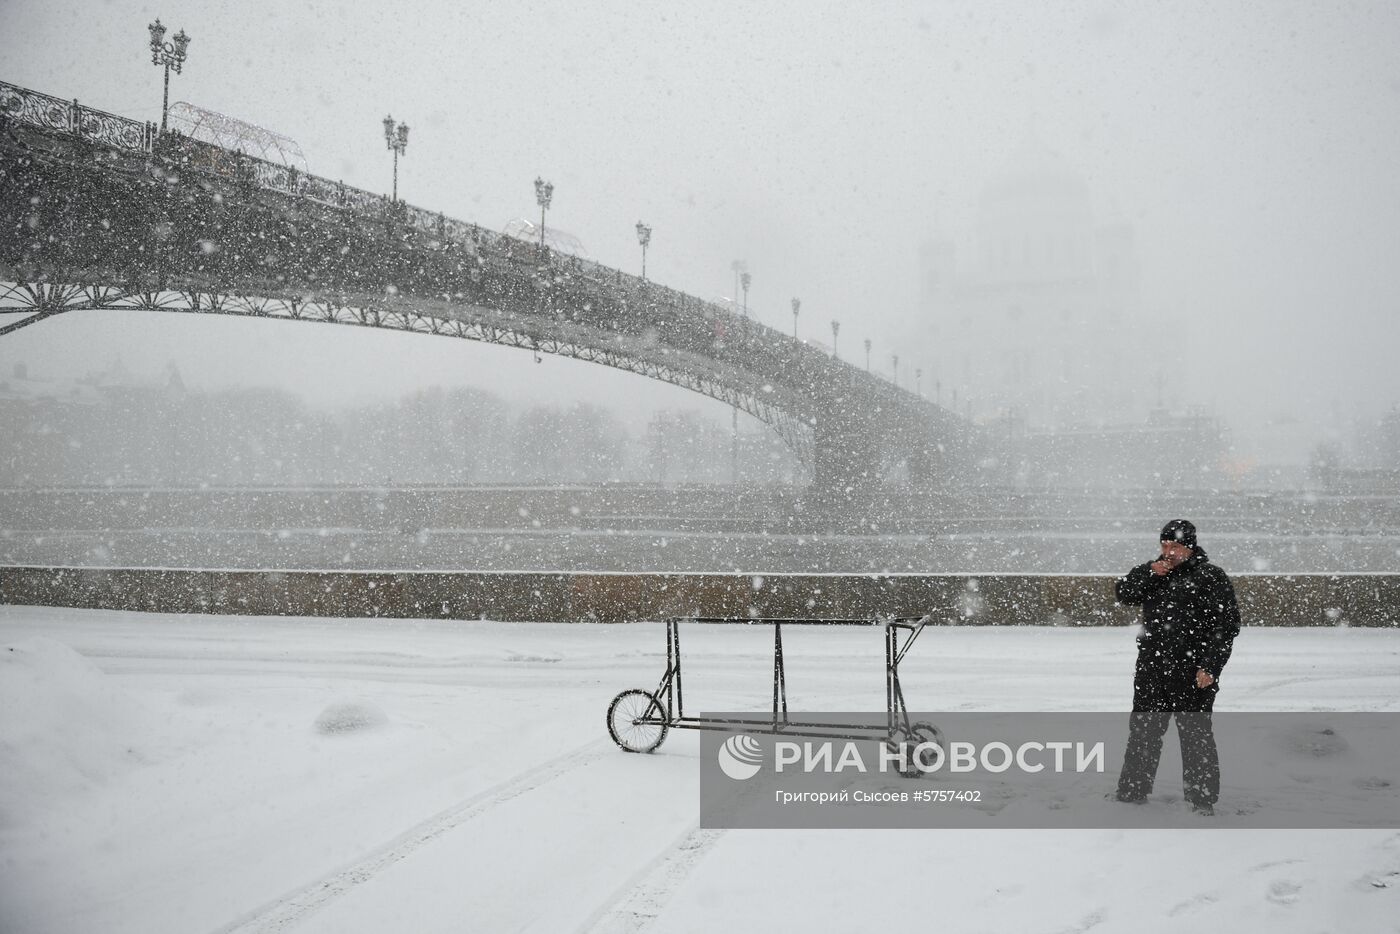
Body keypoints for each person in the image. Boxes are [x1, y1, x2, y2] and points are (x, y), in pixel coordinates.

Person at [1113, 519, 1240, 815]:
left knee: (1196, 736)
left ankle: (1202, 799)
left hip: (1192, 672)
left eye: (1175, 546)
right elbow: (1123, 594)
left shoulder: (1211, 577)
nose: (1168, 552)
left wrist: (1210, 667)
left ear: (1190, 547)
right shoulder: (1154, 572)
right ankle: (1132, 793)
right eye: (1165, 545)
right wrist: (1147, 573)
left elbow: (1226, 627)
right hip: (1152, 668)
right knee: (1144, 731)